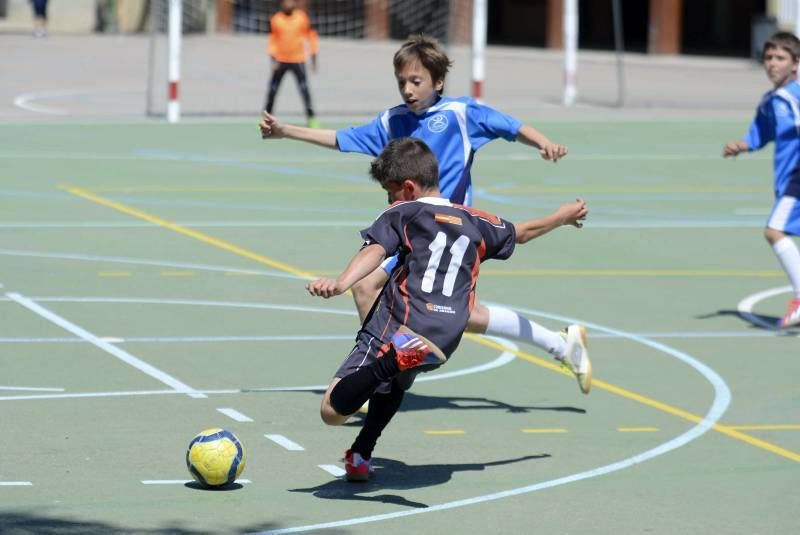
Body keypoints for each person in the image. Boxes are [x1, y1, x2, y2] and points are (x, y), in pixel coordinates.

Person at [261, 35, 585, 386]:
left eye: (416, 81)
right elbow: (342, 138)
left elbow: (510, 127)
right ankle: (387, 369)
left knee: (451, 312)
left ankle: (385, 370)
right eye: (402, 82)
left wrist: (544, 143)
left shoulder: (461, 114)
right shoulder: (393, 121)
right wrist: (285, 131)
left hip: (450, 233)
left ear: (438, 81)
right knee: (375, 289)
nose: (408, 89)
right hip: (413, 233)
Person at [306, 137, 591, 481]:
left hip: (402, 323)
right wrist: (562, 216)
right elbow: (524, 233)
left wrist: (340, 282)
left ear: (408, 188)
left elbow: (376, 251)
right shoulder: (476, 219)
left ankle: (388, 366)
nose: (388, 200)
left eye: (389, 192)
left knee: (332, 410)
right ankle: (362, 452)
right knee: (396, 383)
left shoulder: (402, 212)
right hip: (444, 335)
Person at [723, 31, 800, 329]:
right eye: (768, 58)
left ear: (795, 64)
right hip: (788, 179)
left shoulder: (794, 97)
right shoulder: (772, 100)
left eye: (780, 58)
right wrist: (742, 145)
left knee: (774, 230)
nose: (772, 63)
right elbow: (761, 133)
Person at [264, 0, 320, 128]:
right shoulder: (276, 19)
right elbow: (272, 40)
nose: (288, 4)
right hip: (280, 60)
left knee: (304, 89)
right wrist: (272, 59)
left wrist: (314, 57)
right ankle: (266, 119)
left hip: (298, 60)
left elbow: (311, 36)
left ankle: (311, 118)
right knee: (273, 90)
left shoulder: (301, 18)